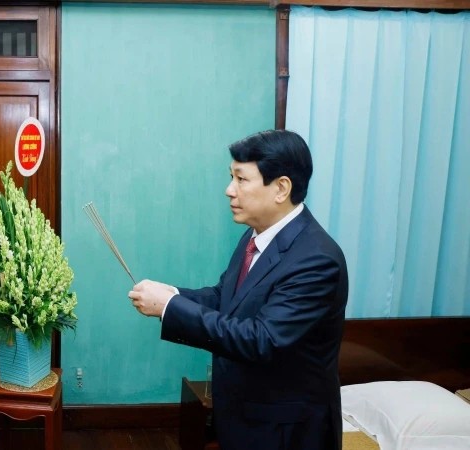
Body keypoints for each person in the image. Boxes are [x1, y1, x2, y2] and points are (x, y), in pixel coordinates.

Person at [128, 129, 348, 450]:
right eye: (231, 177)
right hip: (244, 418)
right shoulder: (255, 235)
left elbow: (262, 340)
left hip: (285, 432)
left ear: (281, 188)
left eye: (241, 179)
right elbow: (225, 298)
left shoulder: (316, 259)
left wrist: (169, 307)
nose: (229, 190)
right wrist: (173, 294)